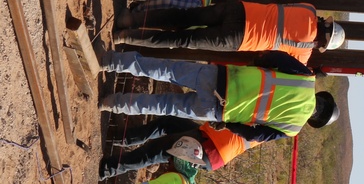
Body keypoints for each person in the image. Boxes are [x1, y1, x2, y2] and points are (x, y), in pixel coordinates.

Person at [99, 50, 340, 140]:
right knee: (163, 106)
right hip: (218, 110)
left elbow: (276, 58)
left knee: (166, 69)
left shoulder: (306, 78)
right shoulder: (292, 129)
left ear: (322, 98)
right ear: (314, 121)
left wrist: (256, 62)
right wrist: (228, 125)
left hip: (222, 77)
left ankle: (111, 61)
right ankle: (111, 103)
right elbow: (253, 135)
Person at [114, 0, 346, 64]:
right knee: (182, 39)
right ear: (321, 44)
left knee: (185, 15)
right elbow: (279, 64)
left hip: (240, 9)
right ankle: (126, 37)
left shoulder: (309, 8)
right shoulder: (303, 54)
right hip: (239, 38)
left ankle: (130, 18)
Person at [99, 116, 262, 180]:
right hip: (207, 138)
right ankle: (119, 137)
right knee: (167, 123)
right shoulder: (271, 113)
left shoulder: (268, 113)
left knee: (153, 153)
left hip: (208, 147)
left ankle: (105, 170)